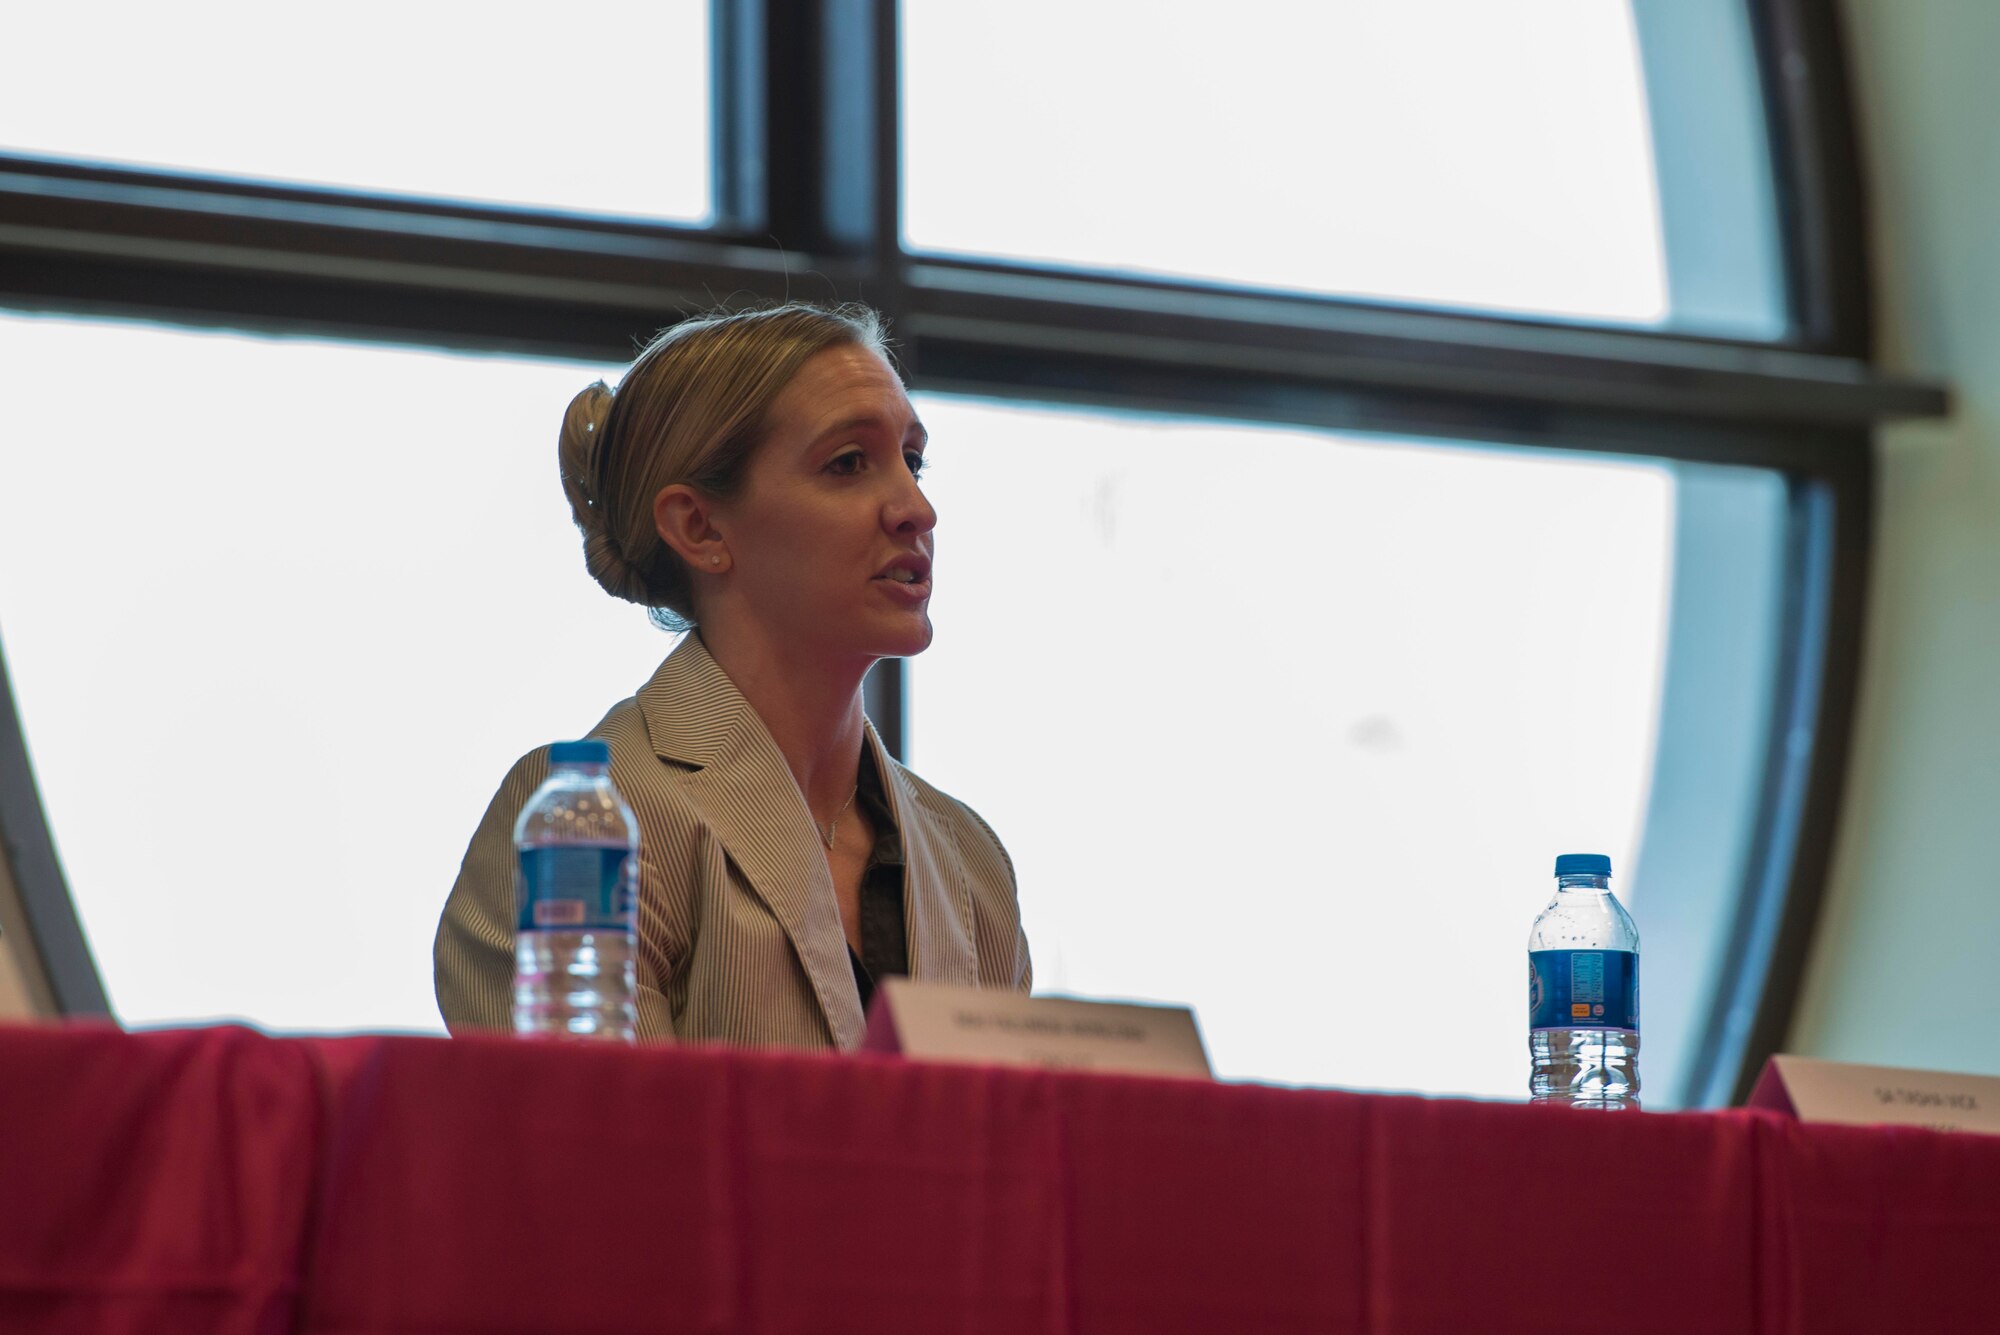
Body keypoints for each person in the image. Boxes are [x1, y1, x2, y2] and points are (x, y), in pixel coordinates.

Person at [433, 303, 1031, 1048]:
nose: (916, 508)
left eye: (913, 460)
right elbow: (592, 1150)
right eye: (849, 462)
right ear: (700, 528)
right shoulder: (587, 820)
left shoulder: (969, 860)